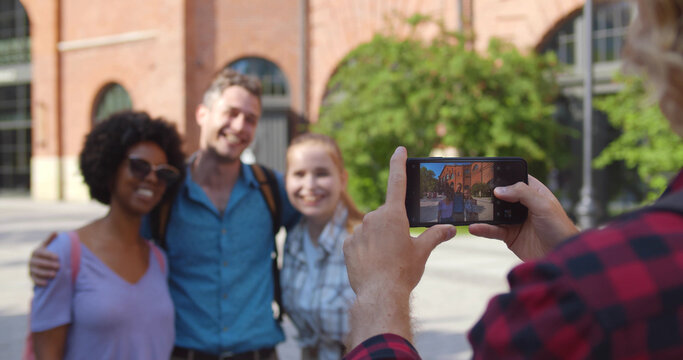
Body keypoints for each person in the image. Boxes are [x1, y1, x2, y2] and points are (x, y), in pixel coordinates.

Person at [342, 0, 683, 358]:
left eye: (641, 24)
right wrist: (571, 254)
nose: (631, 53)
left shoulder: (568, 307)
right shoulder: (622, 276)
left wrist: (381, 293)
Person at [29, 69, 300, 360]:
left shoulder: (271, 189)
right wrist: (55, 257)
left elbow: (324, 222)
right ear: (202, 114)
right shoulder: (165, 192)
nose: (239, 125)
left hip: (258, 353)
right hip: (185, 353)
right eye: (231, 112)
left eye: (250, 119)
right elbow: (113, 235)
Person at [30, 111, 184, 359]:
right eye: (139, 166)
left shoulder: (159, 260)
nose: (152, 178)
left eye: (163, 172)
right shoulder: (64, 254)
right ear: (111, 169)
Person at [280, 133, 364, 360]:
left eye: (321, 174)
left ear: (342, 179)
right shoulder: (293, 239)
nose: (309, 185)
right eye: (299, 174)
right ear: (286, 180)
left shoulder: (364, 239)